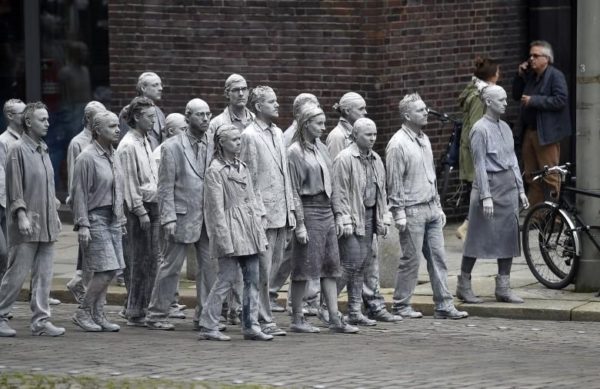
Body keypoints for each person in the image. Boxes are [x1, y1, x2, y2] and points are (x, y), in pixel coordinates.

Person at [386, 93, 468, 320]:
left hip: (430, 207)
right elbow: (394, 182)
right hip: (412, 210)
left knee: (438, 258)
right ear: (406, 115)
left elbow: (431, 175)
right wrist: (398, 213)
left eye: (425, 108)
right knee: (411, 260)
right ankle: (401, 305)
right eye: (420, 110)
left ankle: (444, 304)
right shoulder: (397, 144)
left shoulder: (424, 139)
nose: (426, 112)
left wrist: (439, 206)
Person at [145, 99, 217, 331]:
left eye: (207, 114)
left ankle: (204, 315)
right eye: (199, 115)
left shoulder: (212, 144)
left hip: (207, 216)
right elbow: (165, 187)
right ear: (187, 118)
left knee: (209, 267)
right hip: (180, 215)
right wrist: (168, 217)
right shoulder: (172, 147)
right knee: (170, 267)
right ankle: (157, 313)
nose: (205, 119)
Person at [287, 103, 358, 334]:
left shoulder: (322, 148)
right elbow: (294, 191)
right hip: (308, 211)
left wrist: (338, 214)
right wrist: (299, 224)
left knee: (332, 266)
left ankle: (335, 316)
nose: (323, 127)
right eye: (319, 123)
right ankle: (297, 317)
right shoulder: (294, 152)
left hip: (326, 210)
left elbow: (334, 184)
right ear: (306, 123)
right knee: (304, 267)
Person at [198, 125, 272, 341]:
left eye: (240, 140)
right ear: (222, 142)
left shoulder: (243, 166)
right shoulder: (215, 171)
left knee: (253, 278)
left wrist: (259, 223)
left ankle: (251, 325)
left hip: (249, 227)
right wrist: (223, 239)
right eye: (233, 140)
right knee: (226, 278)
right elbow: (215, 210)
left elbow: (253, 197)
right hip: (230, 228)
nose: (238, 143)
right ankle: (209, 324)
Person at [458, 85, 529, 304]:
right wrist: (485, 196)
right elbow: (478, 163)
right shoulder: (479, 129)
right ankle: (464, 284)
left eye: (506, 99)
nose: (506, 103)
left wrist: (521, 189)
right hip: (488, 184)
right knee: (477, 237)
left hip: (507, 186)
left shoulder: (506, 128)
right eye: (501, 100)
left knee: (508, 236)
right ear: (488, 102)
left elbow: (513, 160)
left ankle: (503, 287)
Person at [0, 102, 65, 337]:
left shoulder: (43, 148)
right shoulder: (17, 150)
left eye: (48, 119)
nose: (48, 123)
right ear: (28, 122)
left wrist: (55, 214)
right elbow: (14, 188)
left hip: (47, 223)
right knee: (16, 274)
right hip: (27, 224)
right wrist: (20, 214)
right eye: (42, 119)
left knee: (44, 275)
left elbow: (47, 188)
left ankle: (41, 321)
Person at [239, 86, 294, 337]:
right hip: (263, 212)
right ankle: (261, 318)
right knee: (261, 268)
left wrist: (290, 209)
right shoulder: (249, 135)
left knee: (272, 267)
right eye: (271, 102)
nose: (277, 105)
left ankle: (263, 314)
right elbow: (247, 177)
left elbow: (284, 174)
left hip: (281, 211)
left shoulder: (278, 132)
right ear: (258, 106)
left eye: (276, 100)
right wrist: (255, 212)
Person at [332, 118, 391, 326]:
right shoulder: (344, 158)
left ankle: (355, 310)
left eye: (375, 134)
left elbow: (381, 191)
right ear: (355, 135)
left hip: (369, 217)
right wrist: (344, 218)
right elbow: (339, 192)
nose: (373, 138)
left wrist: (384, 217)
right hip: (352, 217)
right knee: (349, 265)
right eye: (368, 134)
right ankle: (325, 305)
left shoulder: (375, 159)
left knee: (361, 266)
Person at [71, 111, 125, 332]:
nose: (117, 129)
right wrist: (83, 224)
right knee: (106, 269)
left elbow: (118, 188)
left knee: (112, 268)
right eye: (112, 126)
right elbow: (79, 193)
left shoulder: (113, 154)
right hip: (95, 217)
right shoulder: (87, 157)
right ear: (97, 131)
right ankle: (83, 312)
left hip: (113, 217)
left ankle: (98, 313)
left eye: (117, 125)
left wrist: (120, 219)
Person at [116, 96, 160, 327]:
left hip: (152, 205)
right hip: (138, 210)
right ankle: (135, 309)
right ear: (136, 117)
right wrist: (140, 211)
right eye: (149, 117)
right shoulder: (128, 146)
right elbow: (129, 184)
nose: (154, 121)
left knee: (151, 260)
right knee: (139, 260)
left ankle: (142, 306)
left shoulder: (146, 140)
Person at [512, 40, 571, 206]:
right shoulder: (531, 77)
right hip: (529, 132)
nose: (531, 59)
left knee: (550, 175)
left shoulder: (555, 76)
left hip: (546, 133)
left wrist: (534, 100)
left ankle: (555, 217)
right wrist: (519, 75)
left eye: (536, 56)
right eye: (530, 55)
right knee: (531, 175)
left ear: (547, 58)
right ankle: (536, 215)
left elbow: (560, 100)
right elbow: (516, 95)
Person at [278, 93, 321, 315]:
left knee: (300, 255)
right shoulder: (290, 139)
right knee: (292, 255)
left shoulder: (314, 139)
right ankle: (285, 296)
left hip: (313, 205)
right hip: (299, 204)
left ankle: (305, 298)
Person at [65, 101, 106, 304]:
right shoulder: (77, 143)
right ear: (89, 119)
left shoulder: (103, 140)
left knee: (90, 249)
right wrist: (76, 202)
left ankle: (80, 280)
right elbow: (75, 177)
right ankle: (84, 286)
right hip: (86, 202)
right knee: (89, 247)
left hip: (100, 200)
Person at [456, 58, 500, 240]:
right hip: (477, 154)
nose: (500, 76)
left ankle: (473, 229)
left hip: (474, 152)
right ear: (491, 76)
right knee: (483, 192)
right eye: (498, 72)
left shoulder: (476, 91)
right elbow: (476, 127)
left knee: (483, 192)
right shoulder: (479, 97)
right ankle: (467, 227)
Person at [0, 99, 26, 280]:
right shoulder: (3, 141)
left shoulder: (28, 139)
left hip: (18, 202)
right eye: (22, 113)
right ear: (10, 116)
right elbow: (4, 173)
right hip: (5, 201)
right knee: (3, 252)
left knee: (17, 251)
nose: (26, 117)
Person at [119, 72, 166, 150]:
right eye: (155, 85)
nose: (161, 88)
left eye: (160, 85)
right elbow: (125, 144)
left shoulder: (160, 113)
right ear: (143, 88)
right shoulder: (129, 111)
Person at [326, 92, 367, 159]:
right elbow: (335, 167)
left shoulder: (356, 134)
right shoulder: (337, 136)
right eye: (361, 109)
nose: (365, 112)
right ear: (347, 111)